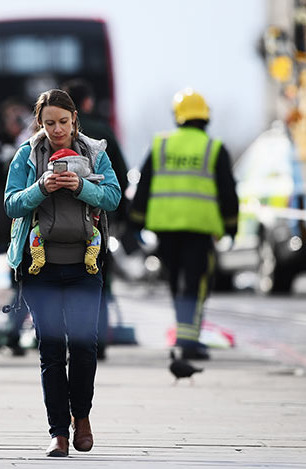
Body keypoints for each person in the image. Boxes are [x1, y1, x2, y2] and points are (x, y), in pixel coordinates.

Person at [4, 89, 121, 457]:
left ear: (75, 120)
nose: (57, 130)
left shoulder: (94, 153)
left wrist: (83, 187)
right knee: (51, 350)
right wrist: (40, 188)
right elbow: (11, 203)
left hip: (85, 265)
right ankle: (58, 432)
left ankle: (81, 417)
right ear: (40, 123)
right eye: (49, 123)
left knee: (85, 346)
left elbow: (114, 196)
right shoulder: (26, 155)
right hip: (41, 267)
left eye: (64, 122)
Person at [127, 88, 239, 361]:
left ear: (178, 116)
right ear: (205, 117)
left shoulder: (160, 145)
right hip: (199, 230)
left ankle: (184, 336)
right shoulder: (214, 148)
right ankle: (188, 341)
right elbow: (227, 191)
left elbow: (144, 186)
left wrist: (135, 223)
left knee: (176, 283)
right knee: (196, 284)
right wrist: (231, 226)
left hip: (165, 229)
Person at [62, 78, 130, 360]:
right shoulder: (103, 132)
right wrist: (123, 218)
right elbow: (121, 178)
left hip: (62, 222)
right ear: (87, 102)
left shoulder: (55, 135)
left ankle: (69, 338)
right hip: (98, 220)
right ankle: (97, 340)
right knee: (98, 275)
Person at [26, 147, 104, 276]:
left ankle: (38, 257)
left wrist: (42, 189)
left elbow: (31, 204)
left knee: (35, 234)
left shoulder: (47, 179)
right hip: (84, 228)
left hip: (48, 227)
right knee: (96, 234)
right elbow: (99, 205)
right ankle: (91, 256)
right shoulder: (89, 179)